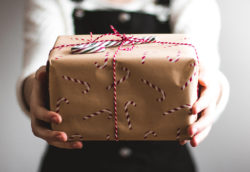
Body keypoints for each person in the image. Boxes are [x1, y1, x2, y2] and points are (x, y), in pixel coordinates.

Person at [16, 0, 230, 171]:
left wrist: (213, 89)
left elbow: (204, 65)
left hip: (165, 163)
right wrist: (35, 89)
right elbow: (38, 67)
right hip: (73, 162)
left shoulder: (189, 3)